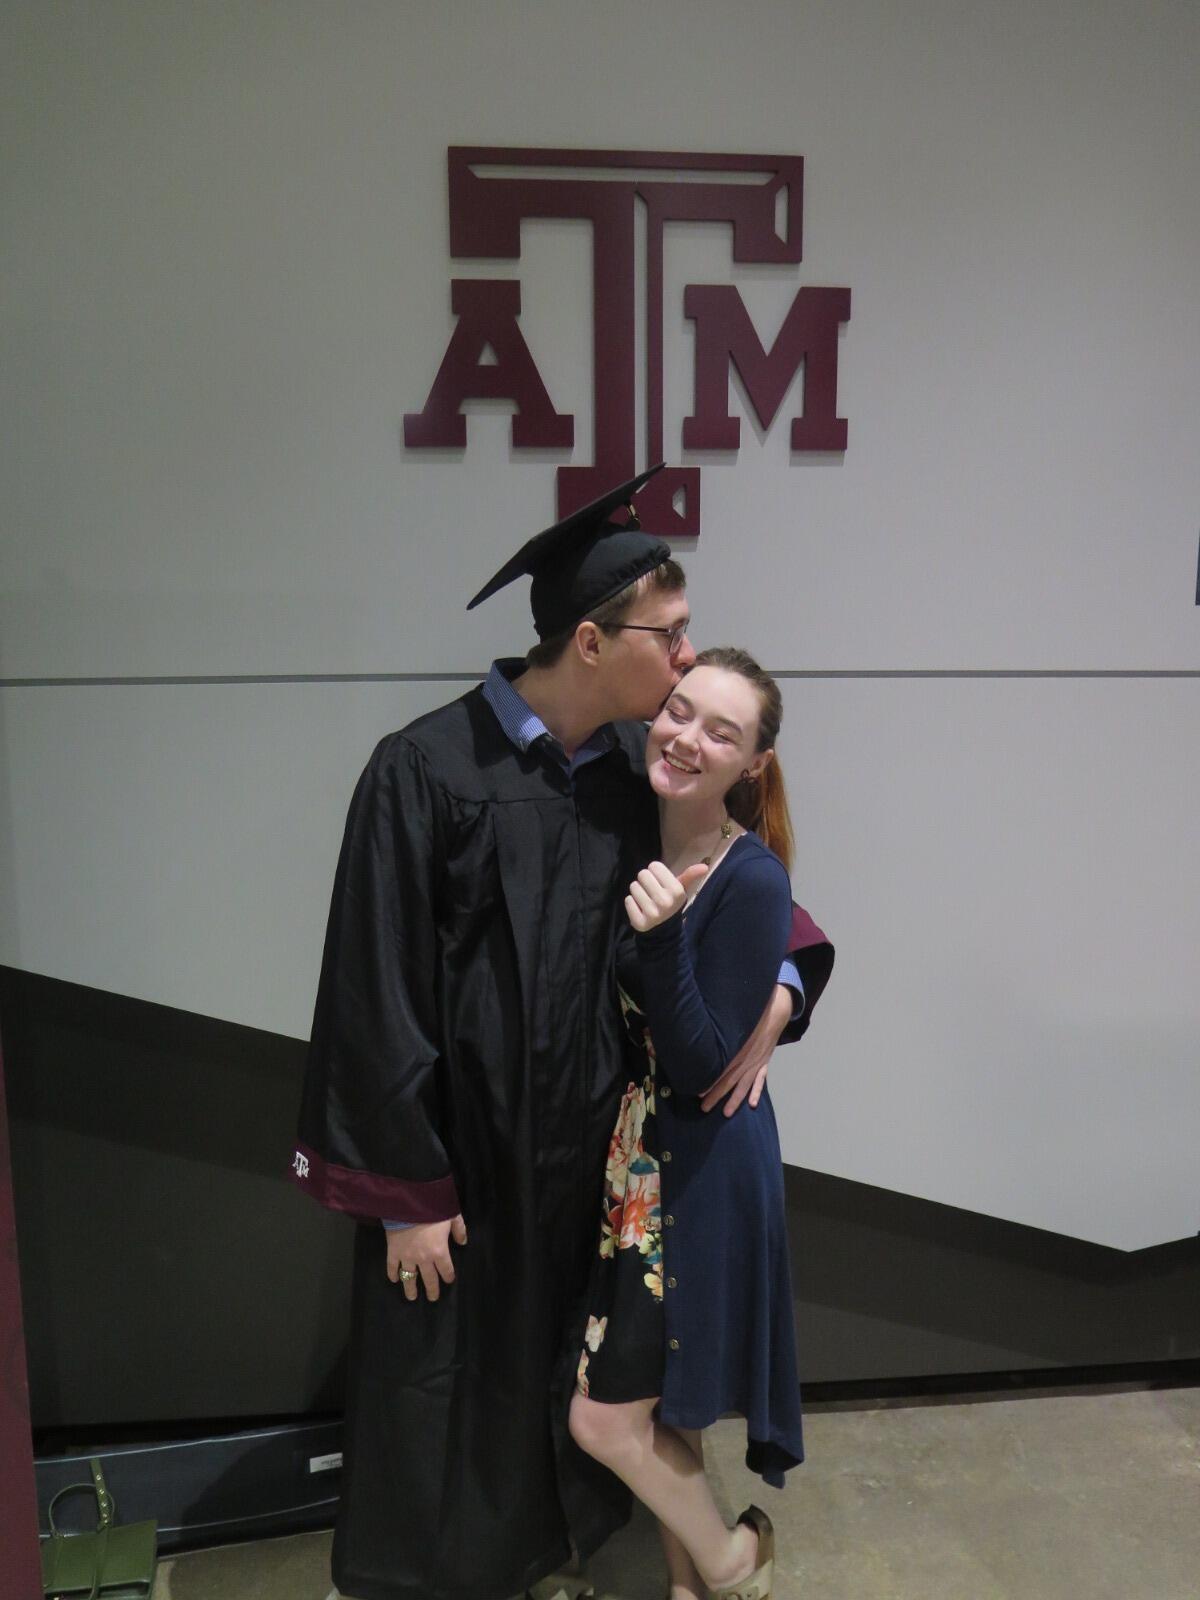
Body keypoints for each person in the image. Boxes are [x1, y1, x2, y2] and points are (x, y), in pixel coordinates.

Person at [291, 468, 820, 1600]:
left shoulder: (638, 774)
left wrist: (782, 983)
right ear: (591, 641)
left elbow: (742, 877)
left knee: (578, 1374)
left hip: (600, 1160)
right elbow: (374, 984)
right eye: (670, 635)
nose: (686, 657)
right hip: (470, 1164)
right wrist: (406, 1189)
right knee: (455, 1375)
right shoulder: (429, 771)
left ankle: (567, 1552)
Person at [568, 647, 833, 1600]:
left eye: (721, 732)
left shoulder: (747, 876)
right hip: (641, 1157)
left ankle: (730, 1561)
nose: (685, 738)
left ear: (753, 763)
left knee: (604, 1419)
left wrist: (667, 935)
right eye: (679, 711)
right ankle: (689, 1587)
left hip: (705, 1156)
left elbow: (700, 1063)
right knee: (663, 1398)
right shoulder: (626, 823)